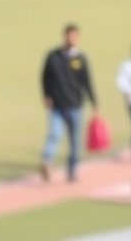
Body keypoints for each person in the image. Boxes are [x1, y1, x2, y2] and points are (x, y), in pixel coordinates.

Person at [40, 23, 97, 182]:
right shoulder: (53, 57)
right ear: (64, 36)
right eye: (69, 36)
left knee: (74, 141)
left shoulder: (80, 59)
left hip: (75, 105)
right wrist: (46, 96)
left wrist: (94, 102)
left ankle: (72, 171)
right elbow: (44, 78)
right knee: (55, 134)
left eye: (75, 36)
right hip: (57, 105)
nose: (72, 39)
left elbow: (87, 81)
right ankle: (47, 161)